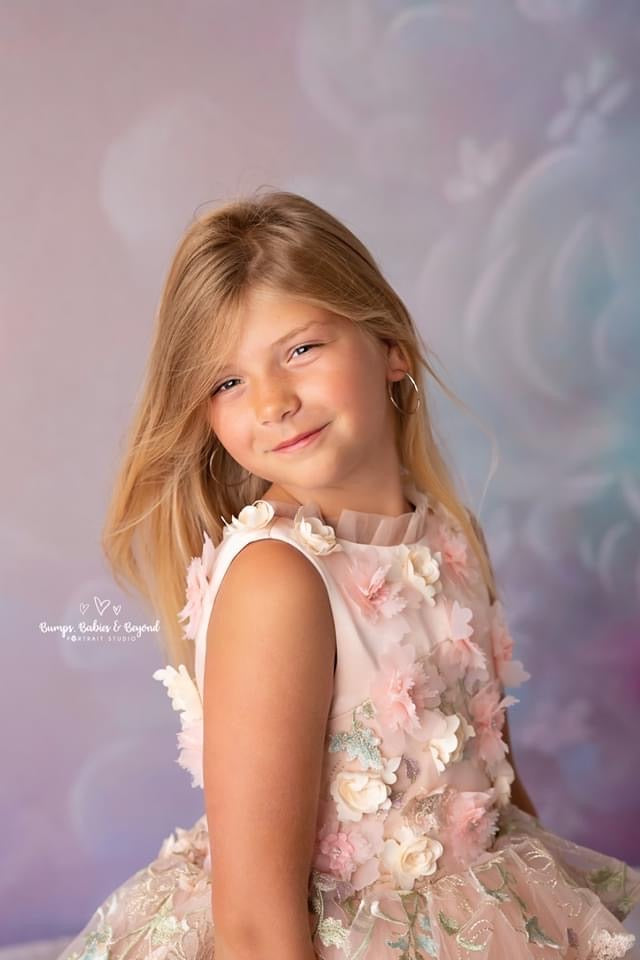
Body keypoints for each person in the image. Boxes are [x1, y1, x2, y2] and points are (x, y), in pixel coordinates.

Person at [57, 189, 640, 960]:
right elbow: (257, 922)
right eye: (227, 382)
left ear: (390, 347)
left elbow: (496, 792)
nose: (272, 402)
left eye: (300, 349)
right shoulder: (279, 580)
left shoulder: (448, 539)